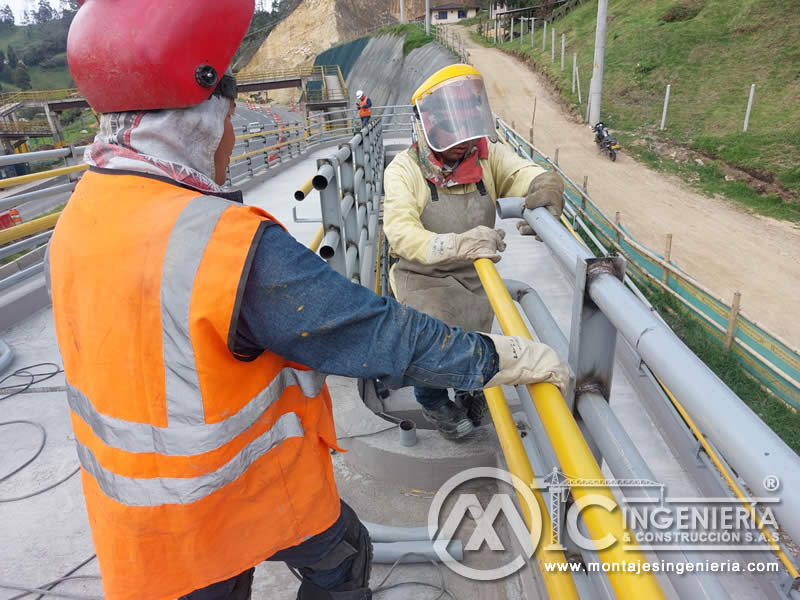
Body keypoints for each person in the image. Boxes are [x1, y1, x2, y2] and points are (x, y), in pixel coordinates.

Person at [46, 4, 568, 600]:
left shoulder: (82, 214)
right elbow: (375, 333)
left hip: (136, 517)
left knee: (340, 550)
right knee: (336, 568)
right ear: (204, 122)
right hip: (216, 507)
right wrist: (499, 357)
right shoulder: (226, 248)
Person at [383, 64, 566, 440]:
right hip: (423, 278)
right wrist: (454, 244)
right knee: (431, 348)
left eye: (467, 132)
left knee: (474, 337)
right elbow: (399, 231)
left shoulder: (484, 158)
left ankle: (470, 390)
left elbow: (519, 172)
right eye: (452, 133)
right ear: (426, 126)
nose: (462, 145)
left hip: (475, 274)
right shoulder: (404, 170)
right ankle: (432, 401)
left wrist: (544, 184)